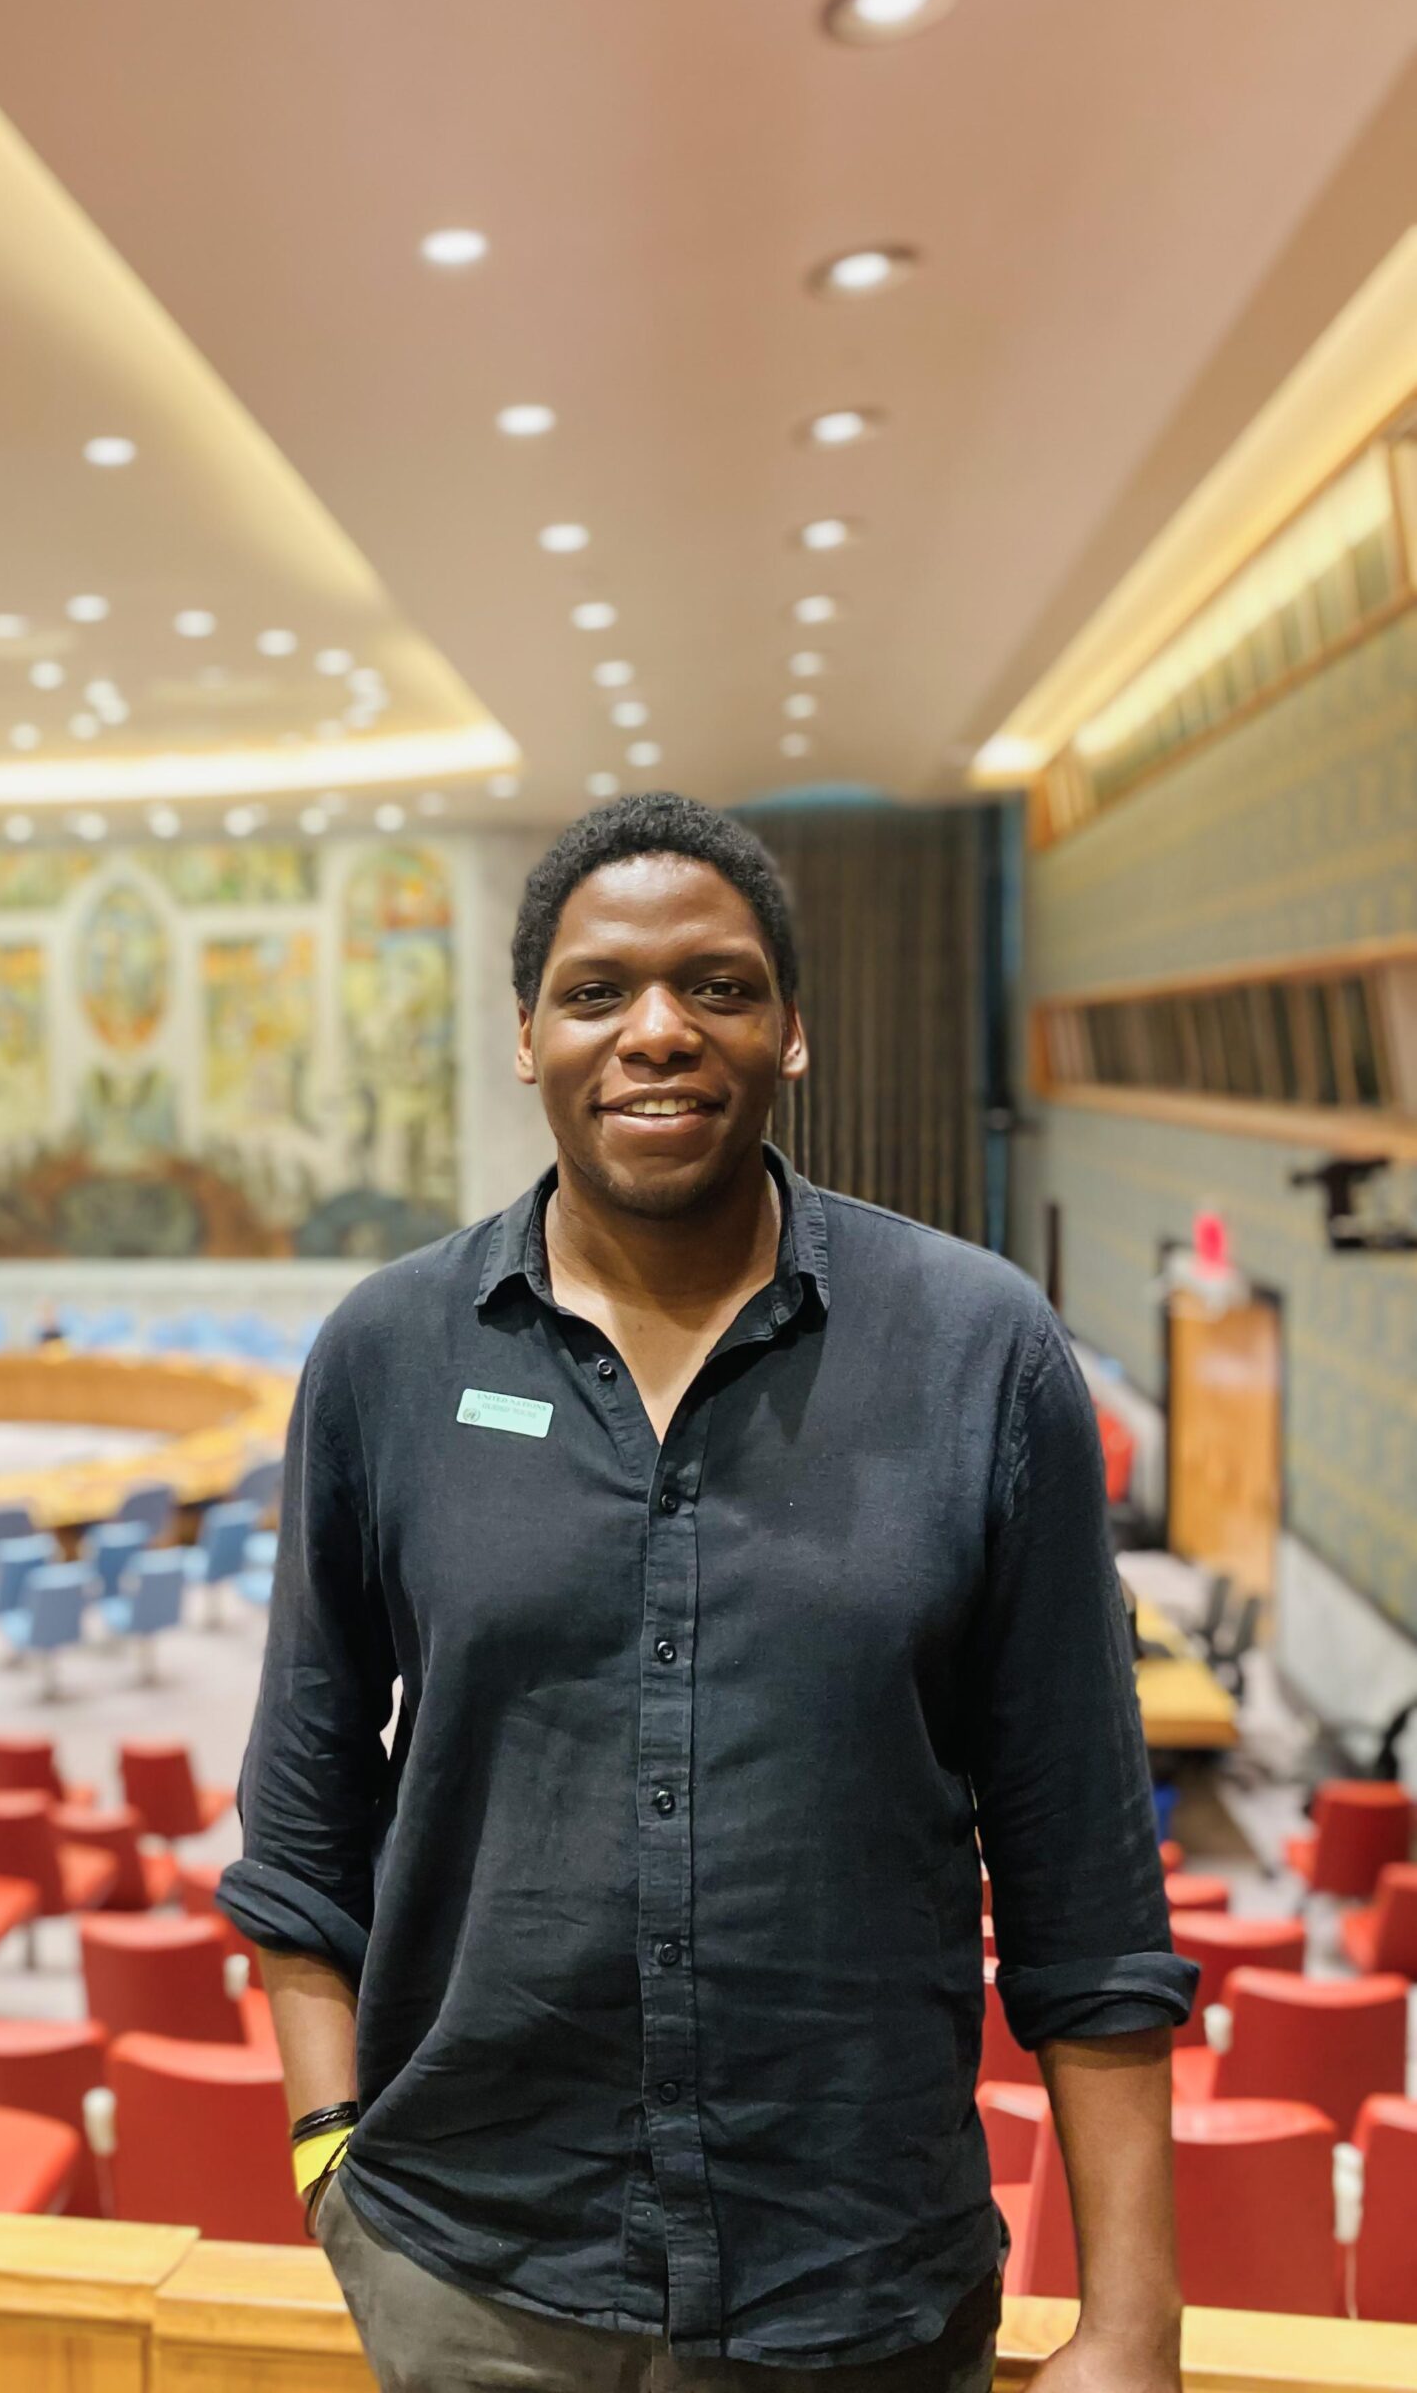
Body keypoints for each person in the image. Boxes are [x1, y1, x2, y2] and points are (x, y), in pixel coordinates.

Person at [220, 793, 1194, 2393]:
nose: (657, 1030)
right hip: (471, 2276)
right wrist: (331, 2154)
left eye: (718, 987)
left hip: (856, 2289)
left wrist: (1133, 2324)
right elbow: (305, 1811)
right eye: (597, 991)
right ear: (525, 1037)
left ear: (791, 1031)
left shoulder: (978, 1351)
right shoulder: (386, 1357)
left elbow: (1082, 1867)